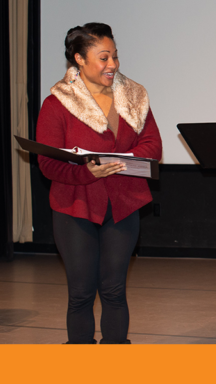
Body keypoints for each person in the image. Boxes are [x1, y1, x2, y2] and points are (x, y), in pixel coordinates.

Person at [36, 23, 162, 343]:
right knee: (81, 292)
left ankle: (114, 361)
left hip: (123, 204)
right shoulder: (57, 102)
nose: (112, 64)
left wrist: (119, 160)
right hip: (75, 206)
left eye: (115, 56)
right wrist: (86, 173)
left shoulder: (134, 95)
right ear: (79, 59)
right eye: (103, 57)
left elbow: (153, 146)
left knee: (114, 290)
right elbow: (48, 162)